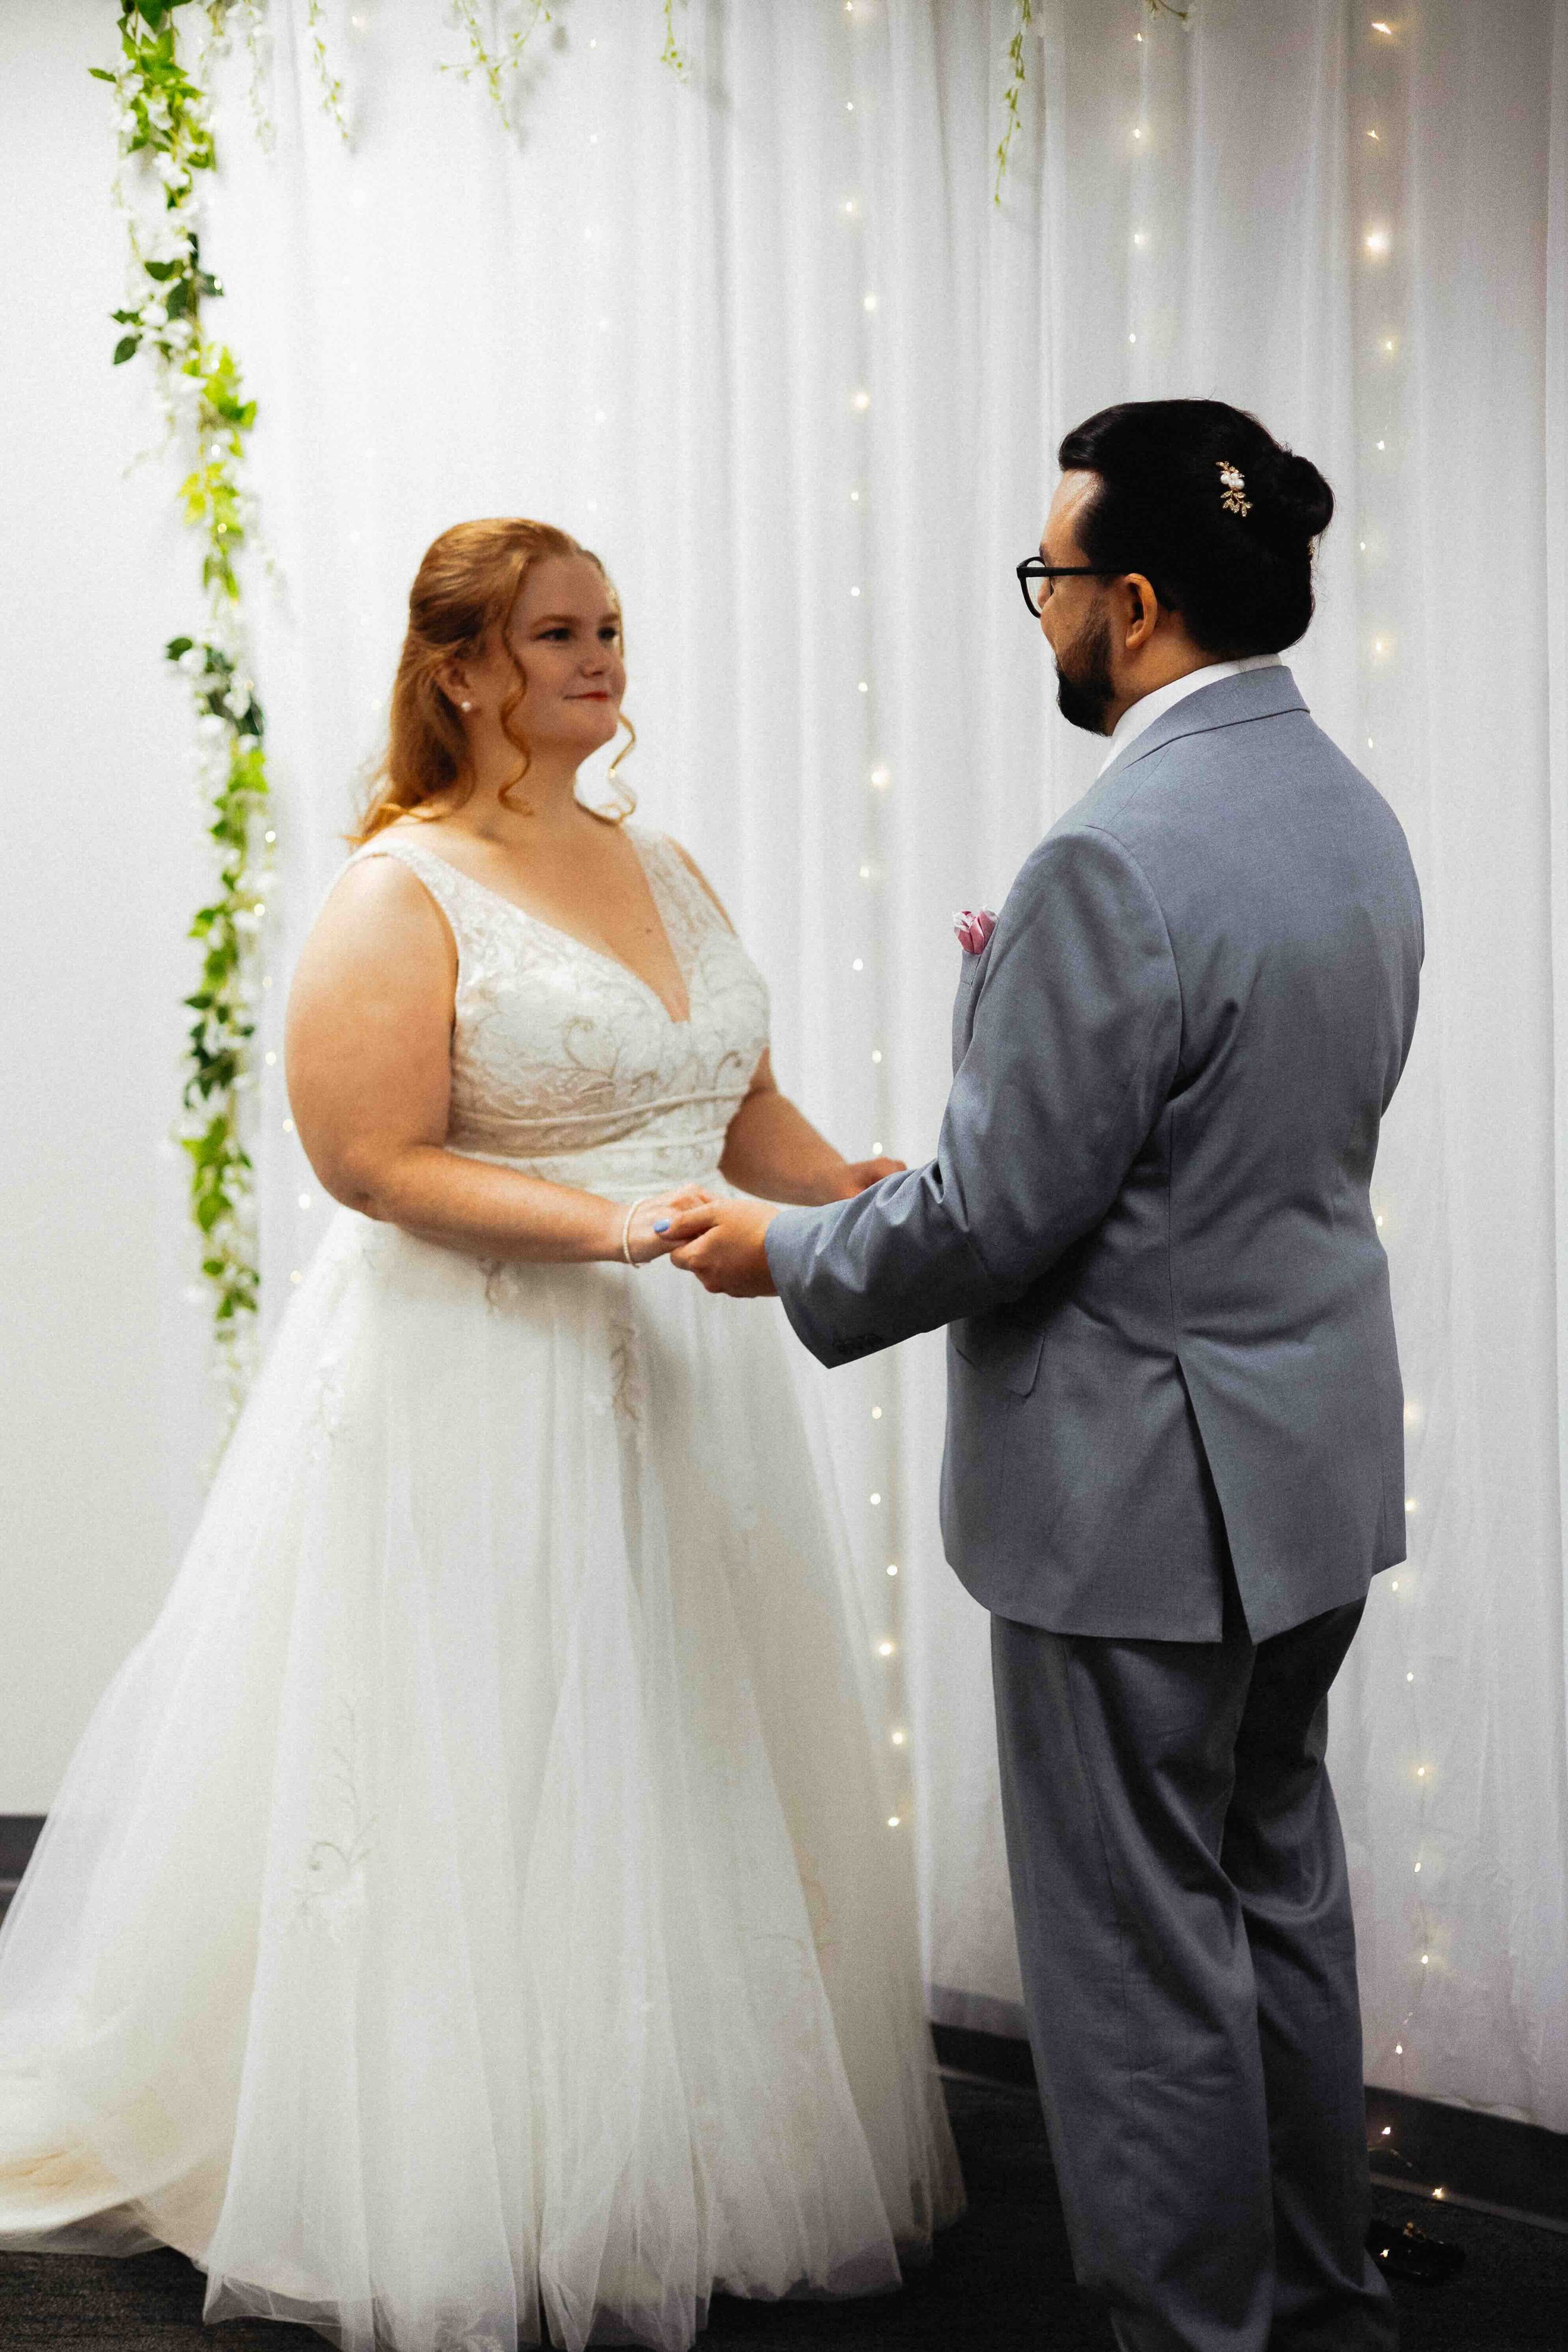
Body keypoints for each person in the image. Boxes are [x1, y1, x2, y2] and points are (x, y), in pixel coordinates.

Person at [0, 519, 963, 2352]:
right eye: (554, 636)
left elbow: (727, 1092)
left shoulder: (656, 862)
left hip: (683, 1377)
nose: (601, 659)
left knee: (673, 1745)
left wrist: (840, 1189)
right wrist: (613, 1228)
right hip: (484, 1373)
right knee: (491, 1758)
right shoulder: (401, 886)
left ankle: (658, 2140)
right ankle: (453, 2164)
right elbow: (365, 1159)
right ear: (461, 670)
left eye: (609, 627)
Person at [660, 399, 1422, 2352]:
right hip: (1308, 1468)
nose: (1041, 615)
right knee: (1276, 1898)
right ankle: (1320, 2307)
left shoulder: (1112, 851)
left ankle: (1191, 2334)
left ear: (1137, 604)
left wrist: (783, 1254)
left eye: (1051, 579)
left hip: (1131, 1500)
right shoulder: (1345, 808)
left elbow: (1001, 1216)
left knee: (1131, 1958)